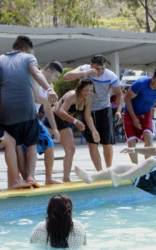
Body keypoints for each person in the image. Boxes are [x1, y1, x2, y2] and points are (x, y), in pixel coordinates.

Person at [0, 35, 57, 187]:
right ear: (26, 48)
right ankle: (30, 177)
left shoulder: (0, 59)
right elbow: (36, 73)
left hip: (7, 111)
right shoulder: (28, 58)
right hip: (26, 109)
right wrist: (49, 89)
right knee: (31, 143)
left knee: (16, 144)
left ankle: (22, 179)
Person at [64, 55, 122, 170]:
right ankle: (99, 171)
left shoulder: (111, 76)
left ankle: (109, 169)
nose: (99, 72)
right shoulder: (84, 69)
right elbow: (66, 77)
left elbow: (119, 95)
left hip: (104, 108)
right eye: (96, 69)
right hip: (86, 108)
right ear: (91, 66)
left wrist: (119, 111)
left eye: (102, 69)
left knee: (107, 142)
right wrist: (85, 74)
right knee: (92, 142)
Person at [17, 61, 64, 185]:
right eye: (55, 76)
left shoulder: (50, 86)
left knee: (49, 145)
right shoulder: (33, 77)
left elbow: (48, 109)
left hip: (34, 120)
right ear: (48, 70)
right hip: (21, 118)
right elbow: (36, 98)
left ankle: (48, 178)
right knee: (23, 149)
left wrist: (54, 128)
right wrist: (51, 100)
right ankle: (27, 178)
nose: (56, 79)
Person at [44, 79, 99, 182]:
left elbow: (88, 117)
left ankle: (66, 178)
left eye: (90, 90)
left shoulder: (88, 99)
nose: (88, 92)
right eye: (85, 90)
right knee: (41, 147)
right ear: (79, 89)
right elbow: (60, 111)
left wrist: (94, 130)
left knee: (71, 149)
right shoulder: (72, 95)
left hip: (66, 121)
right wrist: (75, 121)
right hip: (53, 119)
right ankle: (37, 177)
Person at [124, 68, 156, 163]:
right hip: (130, 113)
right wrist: (134, 118)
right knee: (131, 142)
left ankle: (148, 166)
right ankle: (135, 167)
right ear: (153, 78)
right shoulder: (140, 84)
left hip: (146, 113)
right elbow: (127, 99)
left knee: (148, 137)